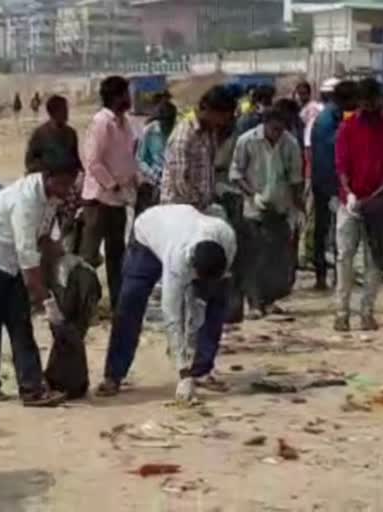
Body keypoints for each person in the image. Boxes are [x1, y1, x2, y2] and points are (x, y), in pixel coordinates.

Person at [0, 153, 79, 407]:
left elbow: (43, 238)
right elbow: (28, 260)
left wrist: (66, 260)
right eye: (64, 184)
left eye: (71, 184)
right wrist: (47, 301)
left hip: (8, 258)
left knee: (20, 322)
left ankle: (32, 388)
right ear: (48, 177)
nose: (67, 191)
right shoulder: (25, 202)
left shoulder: (51, 196)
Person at [95, 205, 235, 402]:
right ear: (193, 267)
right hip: (147, 237)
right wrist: (182, 371)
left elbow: (206, 298)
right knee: (130, 302)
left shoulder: (226, 236)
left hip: (183, 222)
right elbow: (172, 317)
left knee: (217, 301)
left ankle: (201, 370)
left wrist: (204, 298)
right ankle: (114, 375)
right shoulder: (177, 260)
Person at [333, 78, 383, 332]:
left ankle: (367, 312)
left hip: (380, 204)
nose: (366, 107)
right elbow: (342, 166)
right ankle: (341, 313)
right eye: (362, 103)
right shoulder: (348, 127)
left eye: (371, 101)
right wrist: (349, 193)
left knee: (374, 260)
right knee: (344, 257)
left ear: (379, 99)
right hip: (351, 204)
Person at [230, 106, 304, 319]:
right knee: (254, 257)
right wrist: (252, 195)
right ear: (265, 124)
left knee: (277, 259)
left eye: (281, 129)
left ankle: (269, 300)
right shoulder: (247, 141)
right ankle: (254, 303)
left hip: (281, 208)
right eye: (274, 128)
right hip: (254, 209)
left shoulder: (290, 143)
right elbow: (236, 173)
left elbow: (296, 178)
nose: (277, 133)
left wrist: (298, 207)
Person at [79, 76, 139, 309]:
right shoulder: (102, 122)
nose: (130, 99)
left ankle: (118, 303)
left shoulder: (125, 123)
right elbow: (93, 161)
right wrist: (112, 184)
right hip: (99, 199)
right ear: (116, 96)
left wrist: (134, 184)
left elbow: (128, 159)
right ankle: (82, 304)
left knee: (117, 255)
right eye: (126, 94)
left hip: (119, 200)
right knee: (89, 256)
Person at [310, 80, 358, 290]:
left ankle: (335, 275)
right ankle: (325, 275)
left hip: (329, 183)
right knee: (329, 231)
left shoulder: (335, 118)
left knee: (329, 231)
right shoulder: (327, 122)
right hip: (328, 184)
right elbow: (330, 156)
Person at [161, 85, 238, 209]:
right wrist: (200, 206)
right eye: (222, 118)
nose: (223, 123)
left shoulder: (209, 132)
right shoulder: (185, 135)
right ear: (209, 110)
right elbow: (181, 183)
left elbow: (208, 171)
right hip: (180, 210)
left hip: (200, 208)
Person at [25, 95, 84, 231]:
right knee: (44, 229)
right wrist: (47, 175)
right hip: (48, 189)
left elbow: (75, 159)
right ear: (53, 112)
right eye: (63, 110)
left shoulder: (71, 133)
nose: (67, 113)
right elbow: (29, 162)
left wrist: (83, 176)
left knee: (68, 227)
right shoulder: (40, 134)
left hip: (68, 189)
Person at [135, 101, 177, 213]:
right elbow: (140, 159)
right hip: (153, 183)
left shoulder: (178, 132)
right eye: (165, 122)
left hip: (173, 186)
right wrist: (156, 177)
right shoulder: (149, 131)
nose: (167, 126)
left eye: (170, 122)